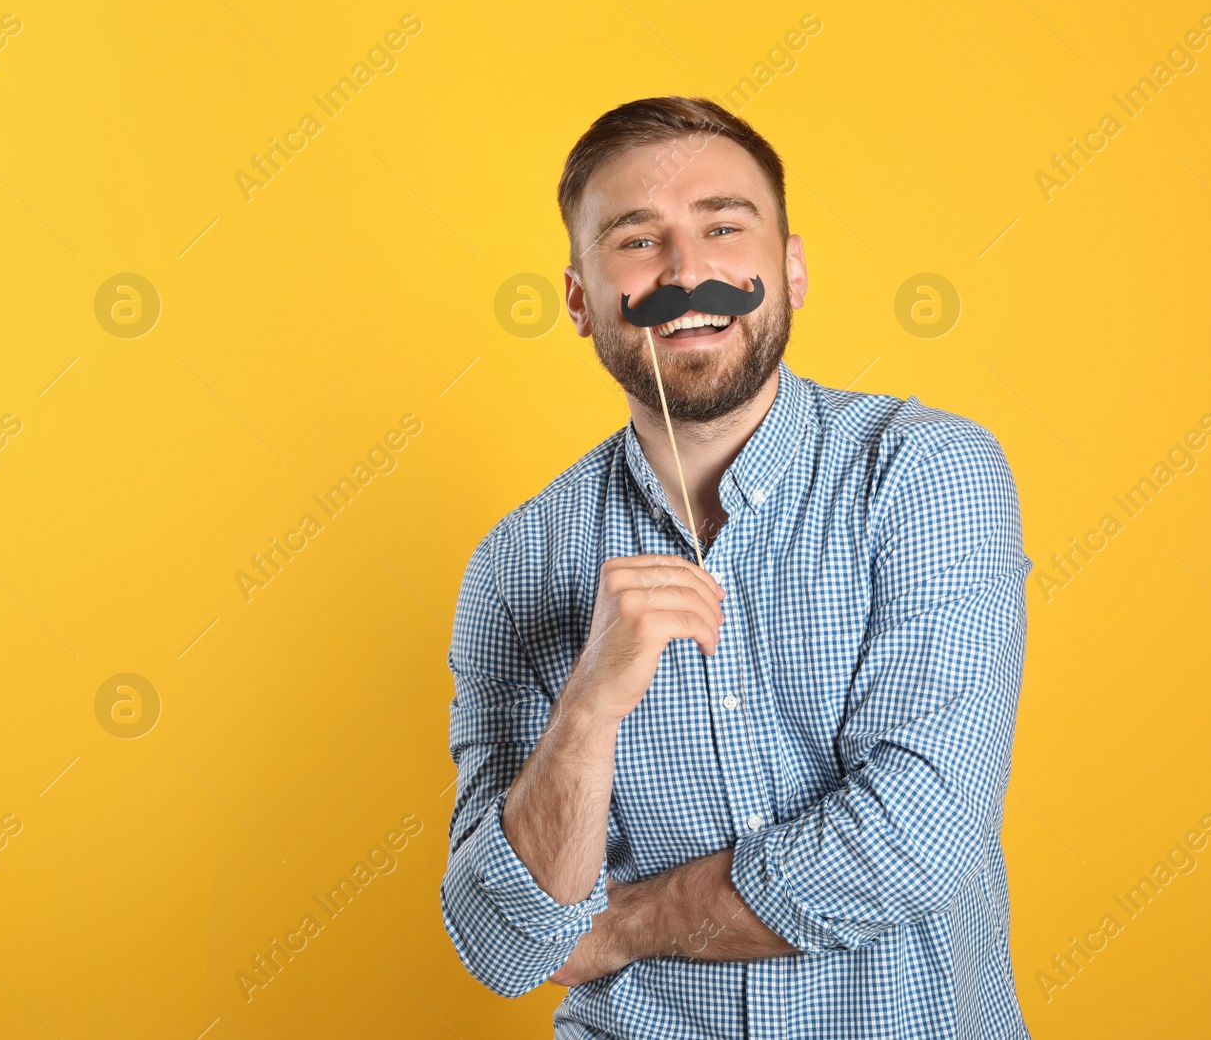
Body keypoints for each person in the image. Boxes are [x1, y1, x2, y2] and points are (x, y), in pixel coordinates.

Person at [441, 95, 1034, 1039]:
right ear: (581, 301)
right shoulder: (514, 566)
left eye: (724, 226)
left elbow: (919, 834)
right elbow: (504, 945)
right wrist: (586, 709)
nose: (687, 273)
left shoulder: (924, 474)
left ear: (790, 268)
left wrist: (624, 924)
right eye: (638, 241)